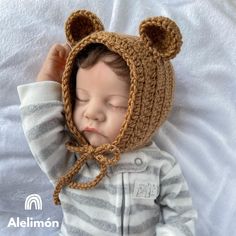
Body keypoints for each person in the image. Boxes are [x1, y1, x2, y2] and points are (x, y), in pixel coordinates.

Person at [18, 10, 197, 236]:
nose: (91, 113)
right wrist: (47, 80)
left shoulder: (161, 166)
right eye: (81, 99)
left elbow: (181, 215)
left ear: (147, 110)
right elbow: (39, 132)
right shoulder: (73, 162)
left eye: (114, 104)